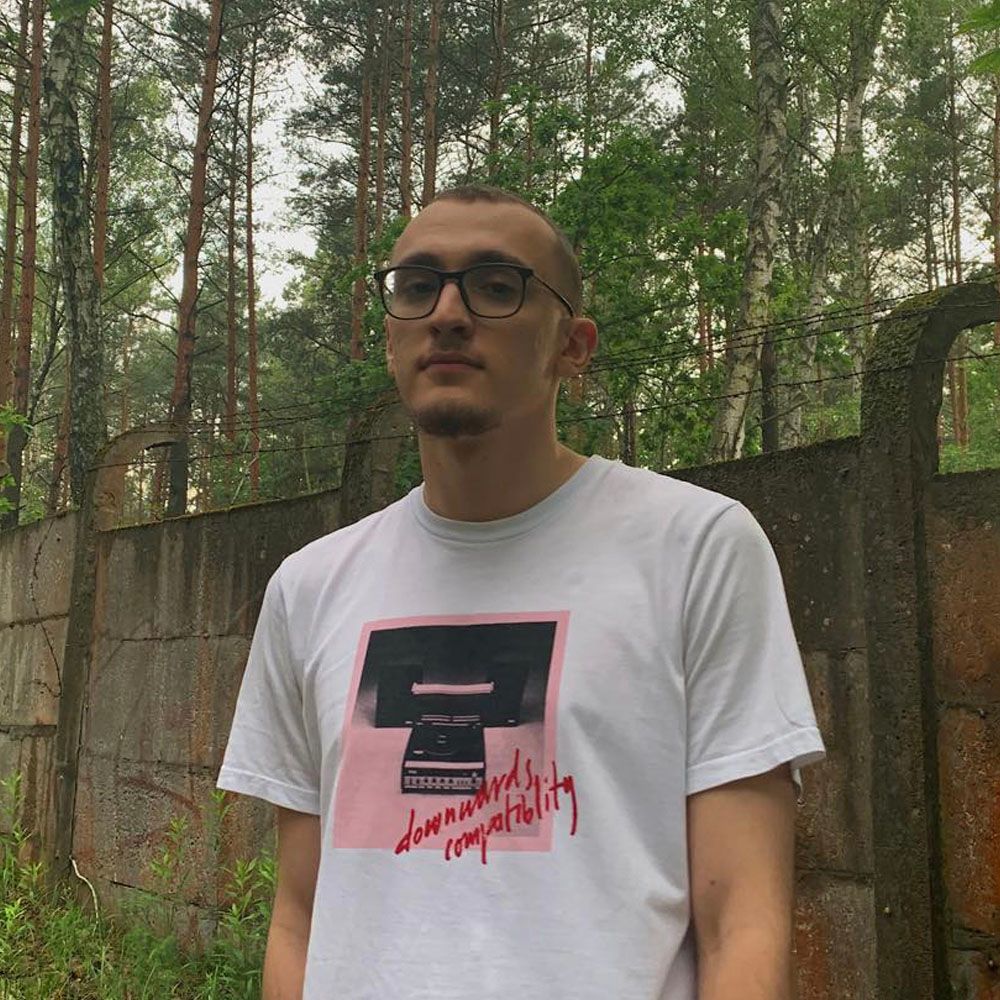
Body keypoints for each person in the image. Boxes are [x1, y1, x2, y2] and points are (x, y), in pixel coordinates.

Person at [216, 184, 825, 1000]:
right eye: (417, 285)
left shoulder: (697, 550)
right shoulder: (310, 587)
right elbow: (298, 916)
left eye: (496, 286)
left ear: (573, 346)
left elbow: (743, 922)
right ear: (391, 338)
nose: (448, 312)